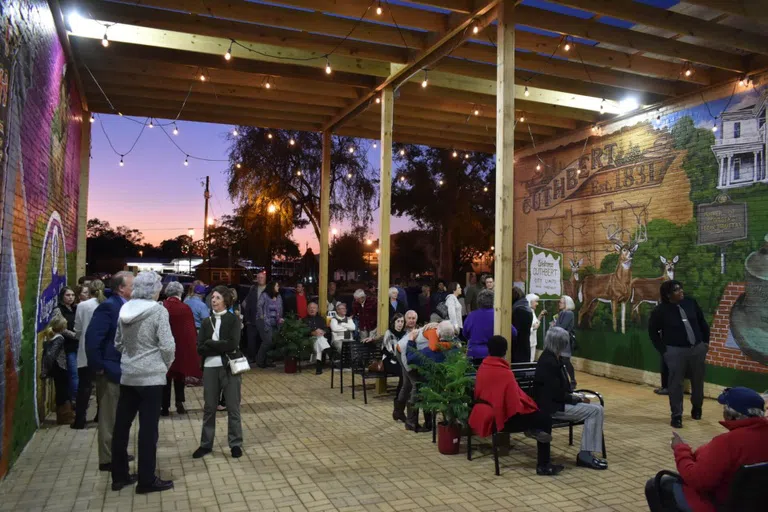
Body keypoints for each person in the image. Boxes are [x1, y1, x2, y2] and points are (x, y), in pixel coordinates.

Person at [646, 387, 768, 512]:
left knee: (656, 485)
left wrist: (680, 448)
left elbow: (698, 480)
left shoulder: (727, 442)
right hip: (758, 504)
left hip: (720, 504)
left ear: (731, 415)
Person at [110, 271, 175, 494]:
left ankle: (119, 476)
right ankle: (146, 480)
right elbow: (167, 345)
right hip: (151, 377)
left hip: (128, 375)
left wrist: (130, 357)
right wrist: (163, 365)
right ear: (154, 289)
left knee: (121, 427)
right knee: (148, 430)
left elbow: (118, 343)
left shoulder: (125, 309)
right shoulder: (158, 311)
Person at [468, 335, 563, 476]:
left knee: (535, 417)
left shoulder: (483, 367)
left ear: (489, 350)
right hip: (502, 420)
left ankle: (533, 430)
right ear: (505, 351)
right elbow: (515, 403)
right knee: (544, 419)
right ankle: (543, 465)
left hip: (484, 412)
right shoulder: (505, 373)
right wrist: (532, 405)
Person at [534, 326, 607, 470]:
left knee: (597, 409)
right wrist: (577, 399)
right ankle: (585, 455)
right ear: (560, 343)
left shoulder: (554, 358)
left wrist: (576, 396)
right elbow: (555, 394)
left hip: (558, 403)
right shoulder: (549, 362)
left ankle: (587, 454)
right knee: (595, 411)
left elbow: (560, 390)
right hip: (552, 408)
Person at [86, 271, 134, 472]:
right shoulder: (108, 307)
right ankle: (107, 459)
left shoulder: (125, 306)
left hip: (122, 371)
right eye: (133, 284)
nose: (136, 288)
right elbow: (92, 339)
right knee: (108, 417)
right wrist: (99, 367)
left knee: (119, 417)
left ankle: (118, 452)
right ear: (121, 287)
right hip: (110, 370)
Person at [648, 280, 710, 428]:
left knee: (697, 380)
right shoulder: (660, 311)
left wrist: (705, 343)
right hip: (675, 351)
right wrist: (665, 351)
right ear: (668, 295)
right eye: (677, 290)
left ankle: (697, 407)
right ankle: (676, 415)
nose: (681, 292)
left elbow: (702, 322)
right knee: (676, 385)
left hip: (697, 349)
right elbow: (653, 332)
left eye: (681, 289)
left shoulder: (690, 303)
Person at [193, 286, 244, 460]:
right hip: (210, 368)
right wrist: (217, 345)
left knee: (233, 407)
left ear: (225, 301)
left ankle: (235, 444)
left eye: (217, 298)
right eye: (212, 298)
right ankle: (206, 444)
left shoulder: (233, 320)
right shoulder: (207, 322)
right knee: (209, 408)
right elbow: (200, 348)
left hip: (229, 367)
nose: (213, 300)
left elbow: (232, 344)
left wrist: (211, 343)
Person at [161, 282, 200, 416]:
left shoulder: (162, 306)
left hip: (164, 348)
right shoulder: (185, 308)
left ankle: (164, 407)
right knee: (179, 376)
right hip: (180, 348)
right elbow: (190, 330)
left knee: (165, 378)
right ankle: (180, 403)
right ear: (180, 293)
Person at [72, 279, 106, 429]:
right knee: (102, 387)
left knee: (84, 387)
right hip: (103, 351)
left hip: (85, 350)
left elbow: (77, 329)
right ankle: (101, 416)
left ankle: (80, 420)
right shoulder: (107, 305)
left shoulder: (82, 306)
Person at [41, 315, 74, 424]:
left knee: (61, 391)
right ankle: (65, 416)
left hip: (56, 368)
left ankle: (62, 415)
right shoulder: (59, 338)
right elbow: (51, 355)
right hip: (60, 367)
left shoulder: (51, 337)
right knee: (63, 392)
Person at [54, 287, 79, 405]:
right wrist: (75, 335)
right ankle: (74, 400)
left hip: (77, 345)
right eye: (68, 295)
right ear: (62, 297)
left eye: (73, 295)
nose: (71, 297)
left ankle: (76, 397)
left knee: (78, 373)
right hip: (67, 346)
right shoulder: (59, 309)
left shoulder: (75, 308)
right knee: (73, 374)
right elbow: (61, 328)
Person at [255, 281, 283, 368]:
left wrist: (280, 319)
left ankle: (268, 361)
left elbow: (280, 309)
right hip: (264, 322)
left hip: (275, 322)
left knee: (273, 342)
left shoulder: (278, 297)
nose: (278, 287)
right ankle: (260, 361)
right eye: (277, 285)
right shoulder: (264, 295)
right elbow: (259, 306)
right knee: (267, 342)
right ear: (272, 287)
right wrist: (262, 316)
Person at [383, 314, 405, 418]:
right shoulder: (389, 332)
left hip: (400, 360)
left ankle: (398, 406)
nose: (400, 324)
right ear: (394, 322)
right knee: (403, 373)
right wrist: (397, 357)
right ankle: (398, 402)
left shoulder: (405, 334)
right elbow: (387, 350)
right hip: (389, 360)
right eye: (398, 321)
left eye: (402, 321)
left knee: (406, 374)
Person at [464, 289, 495, 365]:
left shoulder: (472, 315)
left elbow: (465, 333)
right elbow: (513, 332)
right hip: (493, 354)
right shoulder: (497, 315)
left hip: (474, 353)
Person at [554, 295, 577, 387]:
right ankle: (564, 380)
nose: (559, 304)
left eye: (561, 302)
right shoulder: (562, 313)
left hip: (565, 339)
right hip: (560, 338)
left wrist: (555, 324)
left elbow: (561, 326)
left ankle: (572, 380)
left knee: (565, 360)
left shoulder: (568, 313)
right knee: (561, 360)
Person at [244, 272, 267, 361]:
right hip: (252, 319)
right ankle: (251, 357)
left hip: (265, 320)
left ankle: (263, 358)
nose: (260, 279)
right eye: (259, 278)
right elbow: (247, 305)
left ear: (265, 279)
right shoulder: (253, 289)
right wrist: (247, 319)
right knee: (251, 340)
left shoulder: (269, 290)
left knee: (263, 340)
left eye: (262, 277)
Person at [304, 302, 330, 374]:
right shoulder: (304, 320)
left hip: (321, 339)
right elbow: (303, 332)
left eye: (314, 308)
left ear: (317, 309)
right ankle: (329, 352)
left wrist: (323, 332)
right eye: (310, 308)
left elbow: (327, 329)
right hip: (310, 339)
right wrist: (313, 333)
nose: (312, 309)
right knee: (319, 340)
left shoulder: (321, 319)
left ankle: (319, 368)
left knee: (319, 341)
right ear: (307, 309)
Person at [511, 286, 533, 363]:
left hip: (517, 348)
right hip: (525, 345)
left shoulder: (517, 310)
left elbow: (515, 332)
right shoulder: (527, 308)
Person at [527, 294, 547, 363]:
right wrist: (533, 329)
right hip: (529, 341)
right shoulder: (527, 312)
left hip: (533, 341)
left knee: (531, 360)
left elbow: (535, 324)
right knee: (528, 360)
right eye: (536, 301)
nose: (537, 303)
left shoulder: (532, 311)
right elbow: (526, 328)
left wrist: (540, 316)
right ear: (530, 302)